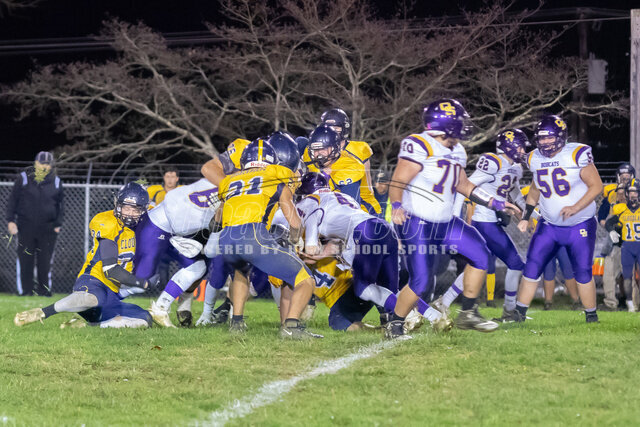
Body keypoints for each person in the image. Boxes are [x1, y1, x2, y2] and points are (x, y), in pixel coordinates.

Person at [388, 99, 519, 339]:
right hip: (417, 222)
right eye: (459, 121)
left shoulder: (457, 150)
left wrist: (495, 202)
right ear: (446, 124)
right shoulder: (419, 144)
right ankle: (394, 324)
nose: (463, 126)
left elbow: (463, 185)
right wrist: (396, 205)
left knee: (481, 255)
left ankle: (467, 312)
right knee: (420, 281)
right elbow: (398, 180)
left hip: (446, 222)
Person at [216, 139, 321, 339]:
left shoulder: (228, 181)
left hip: (226, 238)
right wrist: (295, 239)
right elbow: (295, 222)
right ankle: (291, 327)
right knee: (305, 279)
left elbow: (216, 220)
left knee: (240, 272)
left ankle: (236, 323)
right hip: (253, 234)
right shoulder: (277, 174)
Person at [14, 183, 154, 328]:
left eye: (135, 210)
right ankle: (43, 312)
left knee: (145, 319)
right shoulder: (109, 224)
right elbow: (111, 270)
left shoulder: (145, 222)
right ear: (118, 206)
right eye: (126, 208)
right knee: (93, 299)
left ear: (143, 210)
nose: (130, 214)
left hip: (111, 293)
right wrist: (142, 283)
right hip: (94, 281)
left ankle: (89, 324)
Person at [516, 115, 603, 323]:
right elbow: (535, 189)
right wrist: (526, 216)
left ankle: (591, 316)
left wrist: (576, 207)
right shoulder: (534, 158)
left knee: (582, 271)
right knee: (532, 267)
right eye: (542, 138)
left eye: (549, 137)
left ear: (561, 136)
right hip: (549, 225)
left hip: (579, 224)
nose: (545, 142)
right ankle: (517, 315)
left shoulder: (576, 154)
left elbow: (597, 186)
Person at [447, 129, 529, 322]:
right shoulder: (494, 161)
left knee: (478, 264)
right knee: (515, 264)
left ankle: (444, 302)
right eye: (519, 146)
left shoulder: (515, 168)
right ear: (508, 146)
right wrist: (455, 217)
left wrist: (529, 213)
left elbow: (516, 194)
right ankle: (510, 312)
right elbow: (465, 187)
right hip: (484, 220)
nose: (523, 150)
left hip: (493, 221)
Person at [6, 151, 64, 296]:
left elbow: (61, 205)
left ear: (51, 166)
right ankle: (26, 291)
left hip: (48, 228)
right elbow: (12, 201)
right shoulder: (23, 178)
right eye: (41, 163)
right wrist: (10, 220)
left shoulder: (56, 182)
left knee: (45, 261)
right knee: (25, 259)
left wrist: (58, 224)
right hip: (25, 226)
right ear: (35, 163)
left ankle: (44, 291)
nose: (44, 166)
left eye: (47, 164)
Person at [303, 109, 381, 215]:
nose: (332, 131)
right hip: (324, 205)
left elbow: (367, 187)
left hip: (358, 206)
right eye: (328, 128)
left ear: (344, 129)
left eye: (336, 128)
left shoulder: (355, 154)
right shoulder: (311, 151)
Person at [599, 163, 634, 311]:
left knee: (631, 276)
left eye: (627, 176)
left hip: (633, 242)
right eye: (622, 176)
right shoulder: (612, 195)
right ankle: (610, 303)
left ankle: (633, 303)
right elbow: (602, 218)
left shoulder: (635, 196)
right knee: (609, 273)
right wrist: (611, 227)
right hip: (615, 242)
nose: (625, 179)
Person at [606, 179, 640, 312]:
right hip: (626, 247)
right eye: (630, 192)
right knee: (626, 276)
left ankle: (636, 302)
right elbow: (609, 223)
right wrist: (612, 231)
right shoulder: (620, 209)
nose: (632, 195)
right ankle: (629, 303)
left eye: (635, 192)